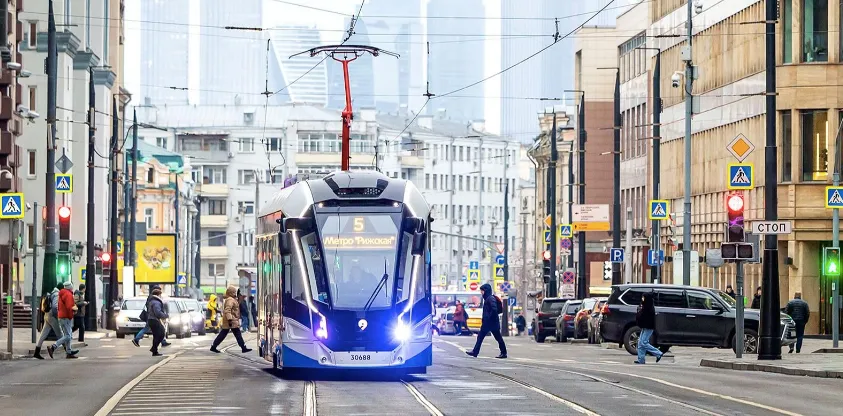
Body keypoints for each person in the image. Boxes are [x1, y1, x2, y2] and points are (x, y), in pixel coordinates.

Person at [465, 283, 507, 359]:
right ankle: (503, 353)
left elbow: (494, 309)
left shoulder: (490, 299)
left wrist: (488, 318)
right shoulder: (488, 298)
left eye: (482, 291)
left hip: (489, 323)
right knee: (493, 338)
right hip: (492, 322)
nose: (481, 292)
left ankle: (475, 352)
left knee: (486, 337)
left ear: (486, 291)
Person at [210, 286, 252, 354]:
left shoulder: (232, 299)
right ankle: (243, 348)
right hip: (231, 320)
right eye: (234, 292)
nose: (235, 293)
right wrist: (229, 319)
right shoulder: (230, 300)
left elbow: (235, 306)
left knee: (224, 334)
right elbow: (227, 310)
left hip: (231, 320)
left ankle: (214, 346)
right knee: (237, 334)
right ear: (231, 292)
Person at [48, 281, 79, 359]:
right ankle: (53, 346)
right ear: (70, 287)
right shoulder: (68, 294)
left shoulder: (62, 293)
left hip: (62, 316)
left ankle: (69, 352)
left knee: (68, 334)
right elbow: (69, 306)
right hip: (66, 317)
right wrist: (75, 309)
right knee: (68, 336)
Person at [33, 283, 62, 359]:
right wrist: (57, 316)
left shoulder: (52, 292)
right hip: (52, 316)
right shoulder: (57, 294)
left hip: (47, 314)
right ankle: (68, 351)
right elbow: (55, 307)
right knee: (60, 334)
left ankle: (37, 351)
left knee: (43, 334)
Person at [634, 292, 664, 364]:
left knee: (643, 342)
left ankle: (658, 353)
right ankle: (641, 359)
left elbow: (644, 317)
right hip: (645, 326)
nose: (642, 299)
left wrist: (640, 312)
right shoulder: (645, 306)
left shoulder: (649, 308)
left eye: (644, 297)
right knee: (640, 342)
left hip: (649, 327)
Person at [146, 288, 168, 356]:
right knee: (161, 333)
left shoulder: (152, 301)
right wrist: (165, 316)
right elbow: (157, 312)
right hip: (154, 320)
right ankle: (154, 349)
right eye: (160, 295)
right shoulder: (156, 302)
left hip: (151, 319)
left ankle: (154, 351)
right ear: (158, 295)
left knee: (156, 335)